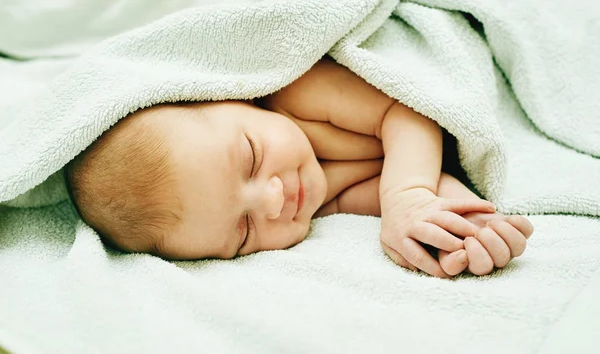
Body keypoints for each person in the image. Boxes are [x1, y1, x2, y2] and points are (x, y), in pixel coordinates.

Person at [66, 57, 534, 278]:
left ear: (233, 98)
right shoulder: (312, 206)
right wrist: (460, 223)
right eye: (244, 231)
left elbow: (406, 112)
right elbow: (397, 193)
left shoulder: (298, 96)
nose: (272, 201)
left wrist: (407, 196)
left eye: (249, 158)